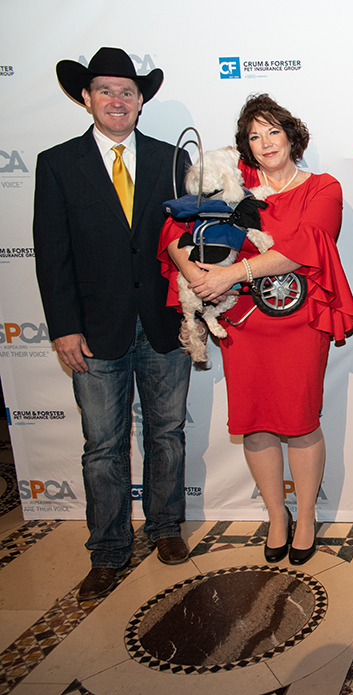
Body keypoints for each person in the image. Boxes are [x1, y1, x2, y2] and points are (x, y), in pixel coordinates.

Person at [160, 94, 353, 566]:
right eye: (255, 135)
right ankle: (276, 515)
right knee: (254, 423)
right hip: (242, 323)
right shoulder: (230, 183)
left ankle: (306, 516)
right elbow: (174, 230)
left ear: (292, 135)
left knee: (300, 420)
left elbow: (304, 247)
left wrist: (230, 274)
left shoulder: (323, 187)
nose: (266, 142)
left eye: (273, 131)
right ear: (244, 145)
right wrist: (197, 276)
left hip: (298, 320)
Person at [33, 47, 192, 600]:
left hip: (164, 325)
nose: (117, 100)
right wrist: (63, 327)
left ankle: (167, 528)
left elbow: (189, 244)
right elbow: (51, 254)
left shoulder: (172, 160)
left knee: (167, 435)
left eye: (127, 91)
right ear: (86, 98)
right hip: (94, 332)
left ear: (141, 100)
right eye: (105, 90)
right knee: (102, 445)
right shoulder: (57, 164)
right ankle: (107, 551)